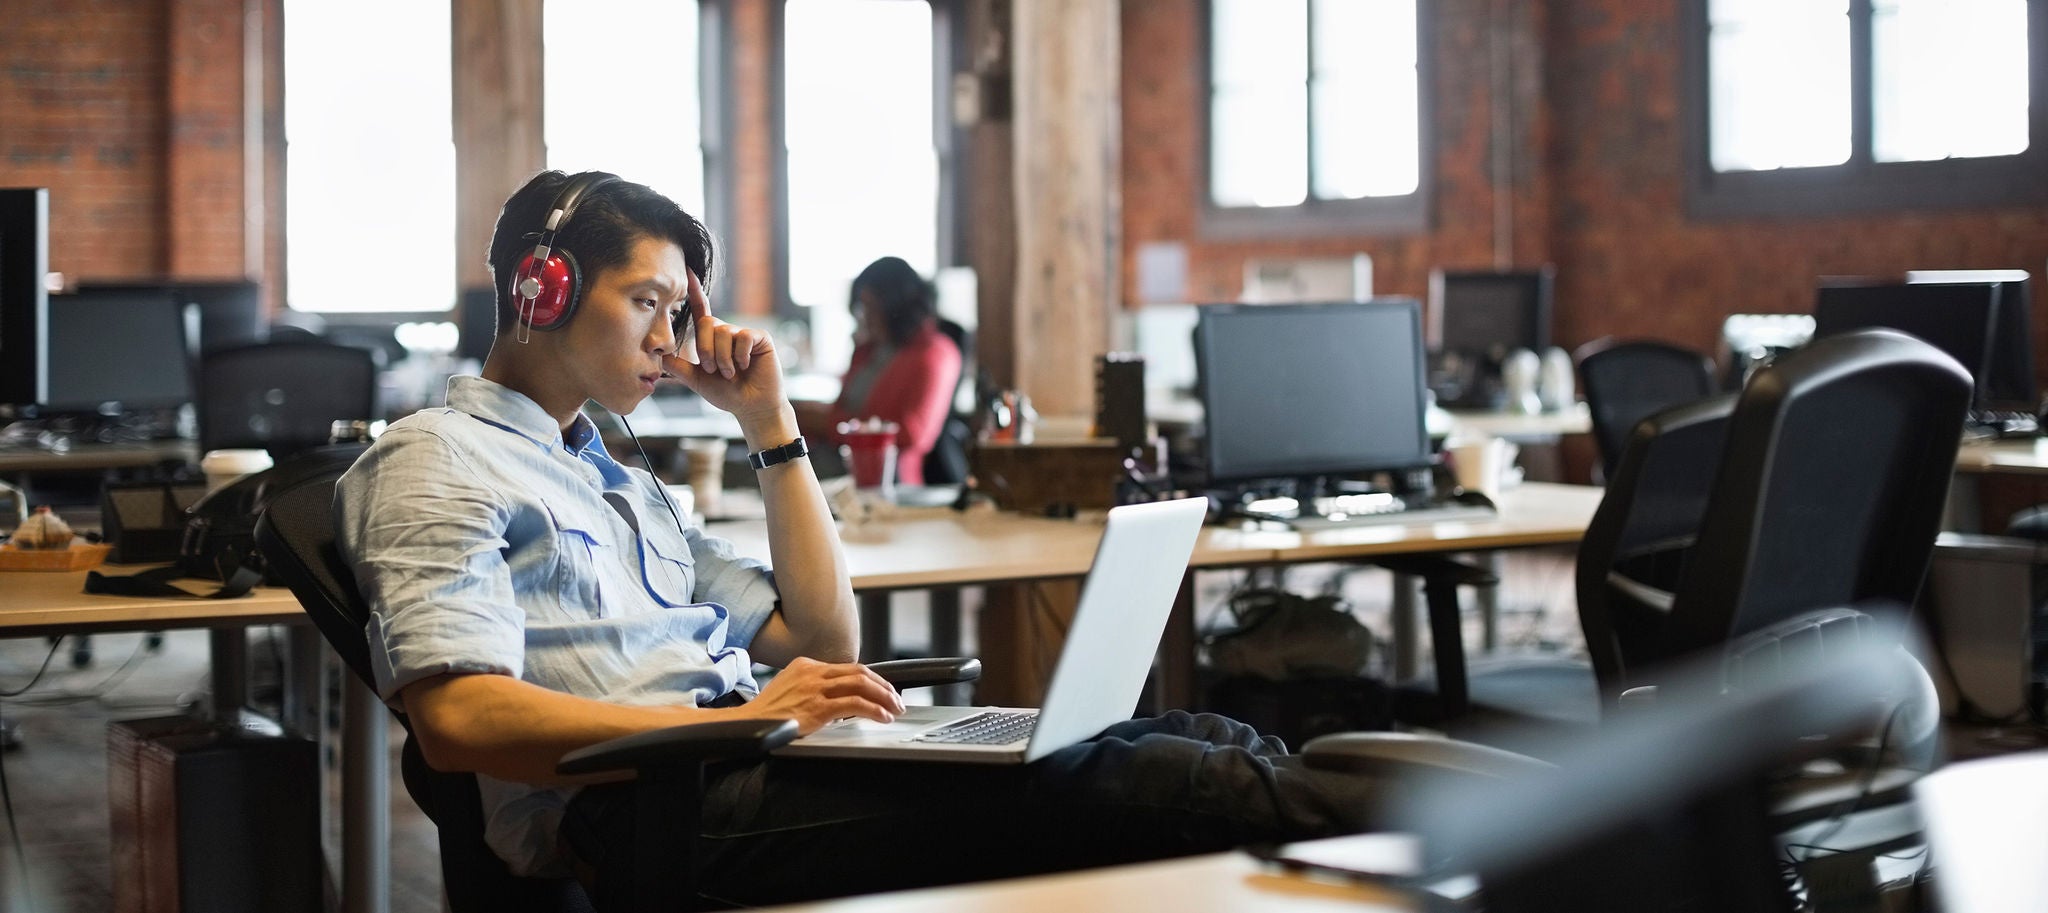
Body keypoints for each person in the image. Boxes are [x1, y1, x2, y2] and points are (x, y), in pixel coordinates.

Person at [336, 170, 1384, 907]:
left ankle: (1463, 817)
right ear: (541, 289)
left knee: (1195, 740)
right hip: (660, 811)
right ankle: (1514, 826)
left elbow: (822, 631)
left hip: (754, 759)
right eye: (646, 302)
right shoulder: (438, 461)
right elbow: (457, 719)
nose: (670, 338)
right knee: (1151, 785)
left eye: (676, 307)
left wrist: (770, 424)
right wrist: (738, 727)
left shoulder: (610, 473)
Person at [802, 256, 961, 486]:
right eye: (862, 306)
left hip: (889, 478)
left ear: (894, 305)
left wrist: (827, 423)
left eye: (870, 306)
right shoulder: (869, 350)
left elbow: (913, 434)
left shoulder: (935, 353)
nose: (864, 315)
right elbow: (846, 408)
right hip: (841, 461)